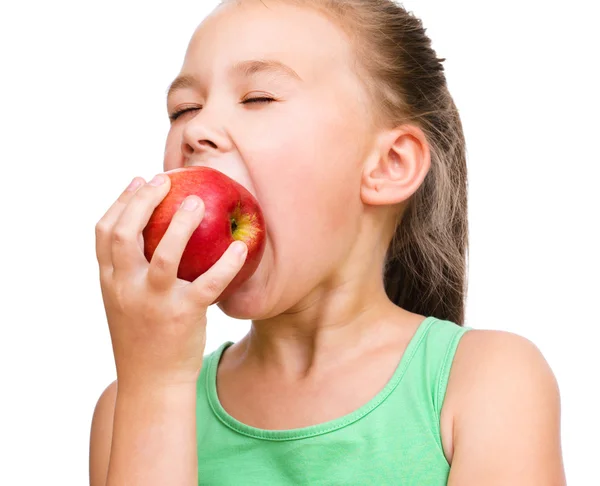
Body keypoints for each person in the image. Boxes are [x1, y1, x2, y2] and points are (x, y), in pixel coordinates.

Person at [89, 1, 566, 484]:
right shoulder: (128, 406)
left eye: (257, 98)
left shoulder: (490, 384)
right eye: (183, 109)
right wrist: (155, 387)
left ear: (388, 165)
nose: (195, 129)